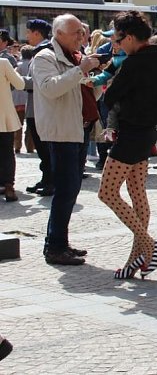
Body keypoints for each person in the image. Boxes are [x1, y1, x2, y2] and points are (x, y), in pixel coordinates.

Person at [95, 10, 157, 277]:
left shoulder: (134, 62)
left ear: (128, 37)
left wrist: (114, 80)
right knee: (138, 193)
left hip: (130, 135)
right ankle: (136, 257)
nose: (116, 44)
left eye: (117, 39)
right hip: (147, 133)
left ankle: (148, 244)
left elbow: (108, 97)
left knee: (107, 193)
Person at [33, 14, 101, 265]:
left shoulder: (75, 57)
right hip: (62, 132)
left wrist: (95, 79)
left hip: (80, 129)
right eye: (76, 33)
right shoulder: (44, 57)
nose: (81, 37)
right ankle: (54, 247)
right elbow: (51, 89)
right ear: (59, 33)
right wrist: (80, 70)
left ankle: (60, 241)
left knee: (72, 189)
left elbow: (84, 90)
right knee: (64, 190)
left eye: (82, 33)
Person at [22, 19, 54, 196]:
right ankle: (46, 178)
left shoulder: (43, 51)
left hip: (39, 107)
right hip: (35, 106)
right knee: (42, 147)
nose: (26, 36)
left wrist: (17, 81)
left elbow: (38, 82)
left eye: (28, 32)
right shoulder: (41, 50)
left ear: (36, 33)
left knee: (44, 147)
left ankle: (50, 181)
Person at [0, 55, 25, 201]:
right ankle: (9, 185)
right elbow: (20, 84)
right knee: (7, 152)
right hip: (4, 117)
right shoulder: (3, 63)